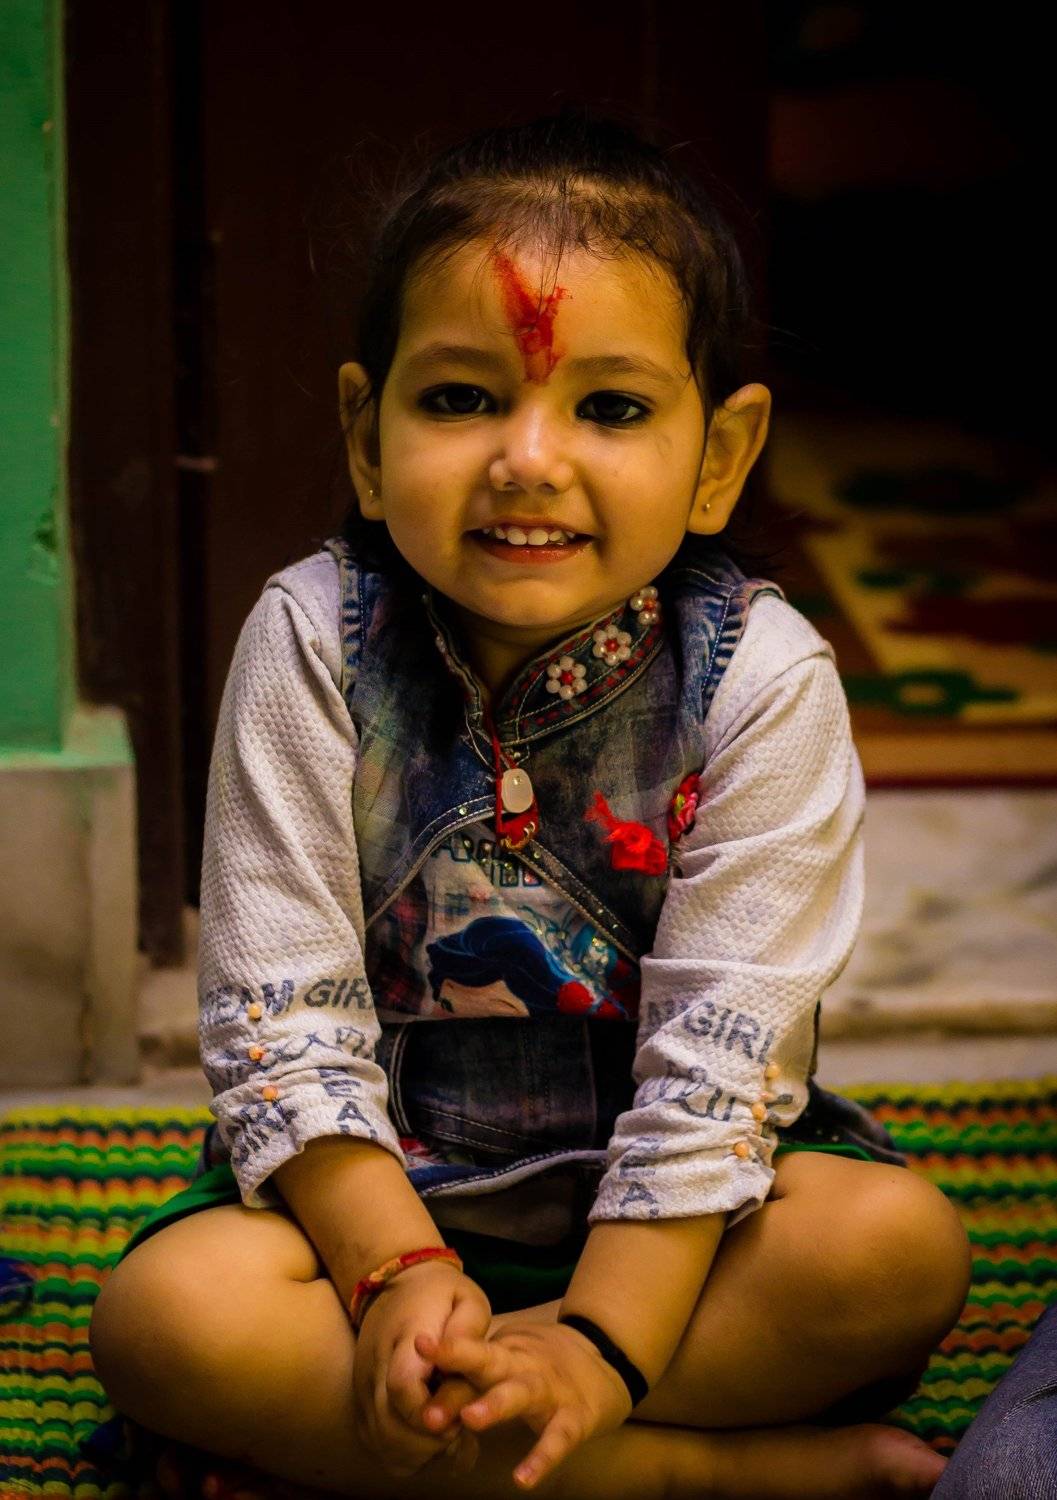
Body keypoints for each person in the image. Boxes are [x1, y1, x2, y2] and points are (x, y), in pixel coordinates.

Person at [87, 109, 973, 1500]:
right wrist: (395, 1274)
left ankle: (436, 1443)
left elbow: (721, 1064)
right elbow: (281, 1021)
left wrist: (599, 1348)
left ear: (720, 457)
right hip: (374, 1207)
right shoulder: (311, 642)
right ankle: (698, 1478)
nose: (527, 460)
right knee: (167, 1319)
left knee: (893, 1251)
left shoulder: (760, 679)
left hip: (683, 1223)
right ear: (364, 436)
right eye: (459, 400)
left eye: (610, 408)